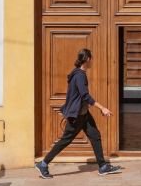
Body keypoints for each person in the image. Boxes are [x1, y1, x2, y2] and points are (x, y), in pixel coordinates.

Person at [35, 48, 123, 178]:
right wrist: (102, 108)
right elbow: (85, 95)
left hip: (83, 114)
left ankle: (103, 166)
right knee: (65, 140)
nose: (92, 61)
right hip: (76, 116)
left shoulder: (77, 73)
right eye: (91, 58)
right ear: (88, 59)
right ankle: (43, 164)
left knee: (95, 136)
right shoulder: (80, 75)